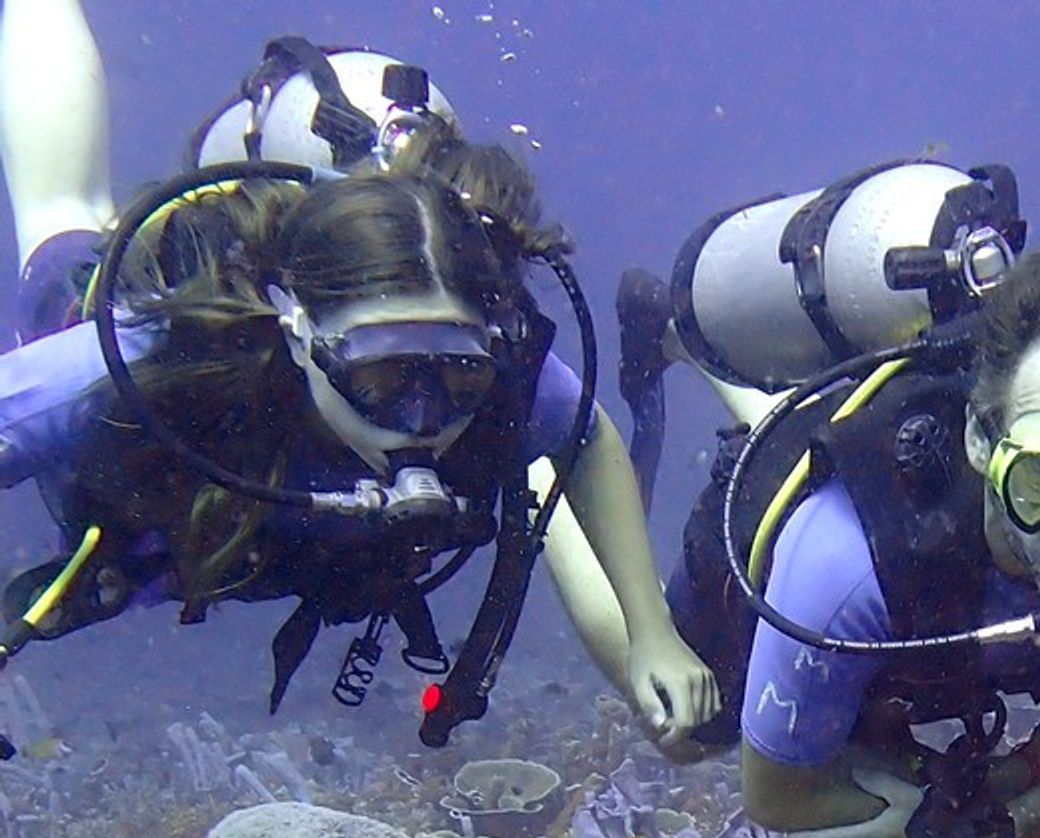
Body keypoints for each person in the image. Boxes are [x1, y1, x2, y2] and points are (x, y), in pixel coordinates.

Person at [0, 0, 716, 745]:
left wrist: (651, 630)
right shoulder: (164, 356)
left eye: (459, 382)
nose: (424, 420)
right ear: (298, 333)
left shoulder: (504, 366)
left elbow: (588, 439)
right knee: (61, 212)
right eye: (382, 380)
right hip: (138, 339)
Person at [659, 244, 1040, 838]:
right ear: (979, 441)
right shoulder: (846, 560)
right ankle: (649, 360)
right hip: (807, 561)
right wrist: (954, 833)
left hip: (927, 647)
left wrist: (1014, 817)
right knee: (686, 734)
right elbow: (779, 794)